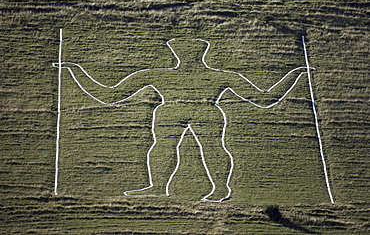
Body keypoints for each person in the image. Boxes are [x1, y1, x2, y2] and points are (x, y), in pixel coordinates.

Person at [54, 38, 312, 202]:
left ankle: (220, 188)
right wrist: (73, 70)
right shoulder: (159, 75)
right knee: (165, 147)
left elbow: (263, 98)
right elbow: (110, 95)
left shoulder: (218, 75)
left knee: (209, 148)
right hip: (175, 112)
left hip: (204, 111)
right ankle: (158, 186)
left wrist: (296, 74)